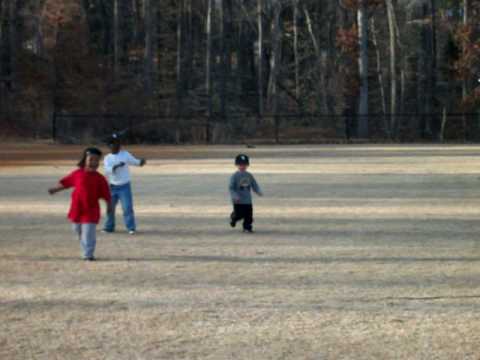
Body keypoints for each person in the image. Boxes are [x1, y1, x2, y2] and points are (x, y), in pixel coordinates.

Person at [48, 148, 112, 261]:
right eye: (91, 160)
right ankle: (86, 249)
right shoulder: (77, 173)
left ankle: (88, 255)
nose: (94, 163)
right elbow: (66, 184)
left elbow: (107, 195)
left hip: (91, 210)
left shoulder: (100, 179)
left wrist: (109, 207)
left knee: (88, 233)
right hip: (77, 209)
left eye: (97, 160)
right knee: (77, 229)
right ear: (84, 160)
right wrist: (55, 189)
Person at [103, 134, 146, 235]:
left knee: (127, 208)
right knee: (110, 208)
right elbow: (107, 170)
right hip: (112, 186)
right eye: (114, 143)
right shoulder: (107, 158)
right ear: (109, 145)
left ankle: (131, 228)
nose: (117, 145)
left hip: (124, 186)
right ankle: (109, 227)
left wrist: (141, 162)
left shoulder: (125, 154)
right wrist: (116, 166)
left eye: (118, 142)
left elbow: (134, 161)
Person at [229, 154, 263, 233]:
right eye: (240, 164)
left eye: (244, 164)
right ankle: (233, 217)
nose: (242, 166)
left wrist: (258, 191)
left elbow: (254, 184)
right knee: (239, 215)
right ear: (237, 165)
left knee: (248, 215)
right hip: (238, 201)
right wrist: (235, 196)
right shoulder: (235, 176)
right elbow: (231, 188)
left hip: (247, 200)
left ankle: (247, 227)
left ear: (247, 165)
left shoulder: (249, 175)